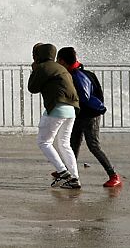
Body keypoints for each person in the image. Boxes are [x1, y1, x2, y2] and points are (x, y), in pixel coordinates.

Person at [56, 47, 123, 188]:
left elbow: (82, 97)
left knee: (93, 146)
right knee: (73, 144)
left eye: (58, 60)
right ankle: (68, 172)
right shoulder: (85, 74)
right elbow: (99, 94)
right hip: (79, 114)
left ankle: (113, 176)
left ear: (62, 61)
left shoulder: (76, 76)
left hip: (89, 116)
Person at [28, 43, 81, 189]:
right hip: (71, 109)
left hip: (57, 108)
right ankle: (74, 178)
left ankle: (63, 172)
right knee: (64, 144)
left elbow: (32, 88)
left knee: (44, 142)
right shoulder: (61, 68)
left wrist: (34, 70)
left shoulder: (43, 67)